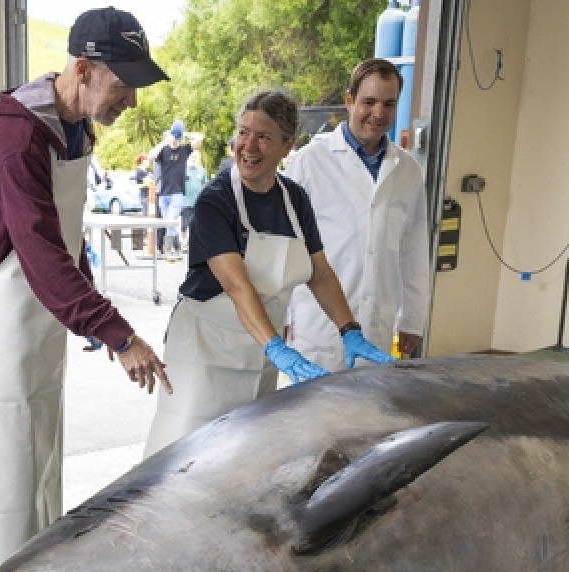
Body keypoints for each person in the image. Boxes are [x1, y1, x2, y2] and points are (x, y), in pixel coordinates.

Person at [0, 7, 173, 567]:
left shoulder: (75, 129)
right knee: (5, 476)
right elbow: (40, 250)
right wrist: (117, 333)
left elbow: (64, 238)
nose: (132, 101)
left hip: (38, 316)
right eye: (124, 85)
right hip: (1, 321)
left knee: (39, 460)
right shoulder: (21, 136)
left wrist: (88, 304)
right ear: (83, 69)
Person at [143, 90, 390, 457]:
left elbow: (319, 273)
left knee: (242, 458)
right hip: (206, 351)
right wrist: (279, 349)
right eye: (243, 133)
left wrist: (349, 330)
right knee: (184, 457)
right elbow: (236, 285)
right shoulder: (216, 201)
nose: (249, 145)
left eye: (263, 136)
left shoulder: (295, 199)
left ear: (288, 144)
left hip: (259, 354)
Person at [285, 58, 432, 368]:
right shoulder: (309, 164)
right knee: (313, 413)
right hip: (317, 329)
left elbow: (414, 251)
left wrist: (413, 319)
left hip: (377, 326)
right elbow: (286, 246)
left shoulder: (408, 172)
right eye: (368, 102)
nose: (378, 114)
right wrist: (283, 315)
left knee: (368, 413)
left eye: (388, 104)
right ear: (349, 100)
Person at [153, 120, 194, 257]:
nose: (176, 140)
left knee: (171, 221)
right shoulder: (163, 150)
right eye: (174, 137)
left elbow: (200, 139)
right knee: (168, 223)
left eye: (178, 138)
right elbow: (151, 155)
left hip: (177, 192)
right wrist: (165, 141)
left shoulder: (184, 150)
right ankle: (177, 249)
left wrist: (185, 134)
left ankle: (168, 250)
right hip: (164, 192)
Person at [181, 148, 208, 252]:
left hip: (197, 202)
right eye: (192, 157)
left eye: (195, 157)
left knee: (195, 224)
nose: (193, 159)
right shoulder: (183, 169)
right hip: (185, 201)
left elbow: (204, 185)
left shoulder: (202, 171)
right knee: (184, 224)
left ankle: (193, 243)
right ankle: (184, 243)